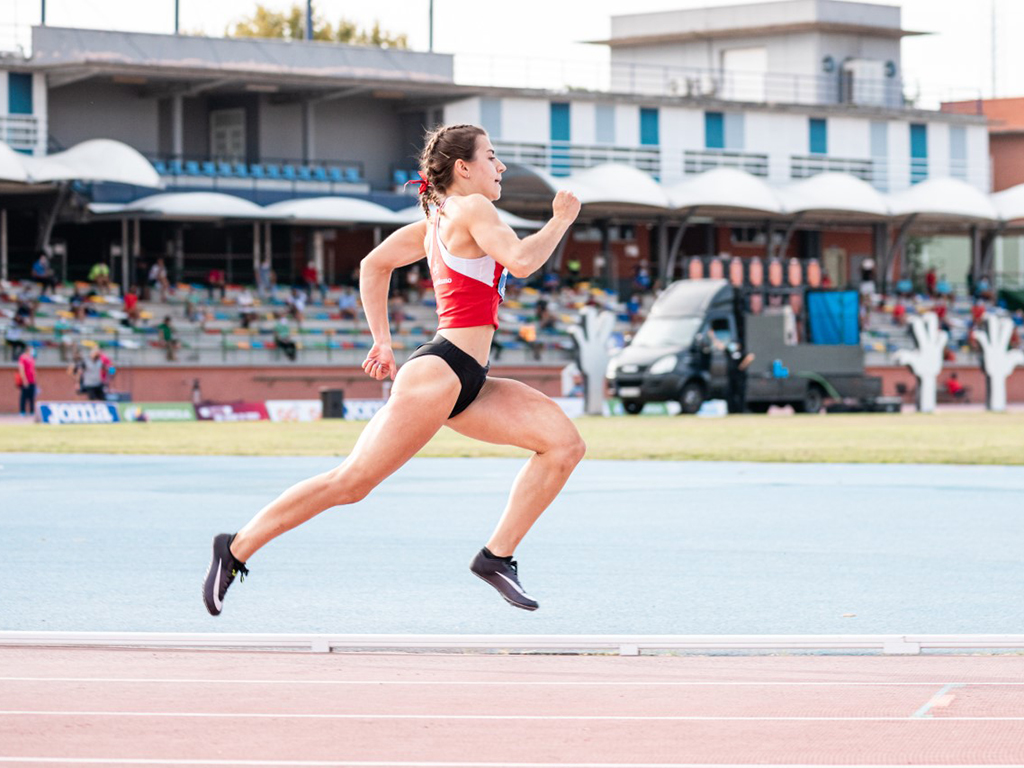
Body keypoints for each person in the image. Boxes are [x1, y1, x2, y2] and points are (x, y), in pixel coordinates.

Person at [203, 123, 584, 617]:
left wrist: (381, 339)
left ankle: (496, 557)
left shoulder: (439, 220)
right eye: (492, 157)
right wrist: (560, 220)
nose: (501, 166)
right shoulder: (471, 208)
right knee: (352, 482)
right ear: (463, 168)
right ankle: (233, 550)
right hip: (440, 373)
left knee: (564, 444)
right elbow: (522, 259)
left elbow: (373, 264)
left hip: (469, 380)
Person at [16, 347, 37, 416]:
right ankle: (22, 411)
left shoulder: (31, 358)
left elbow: (33, 369)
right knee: (24, 397)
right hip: (26, 380)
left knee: (32, 396)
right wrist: (24, 380)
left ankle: (32, 411)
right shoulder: (22, 358)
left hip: (32, 381)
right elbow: (21, 369)